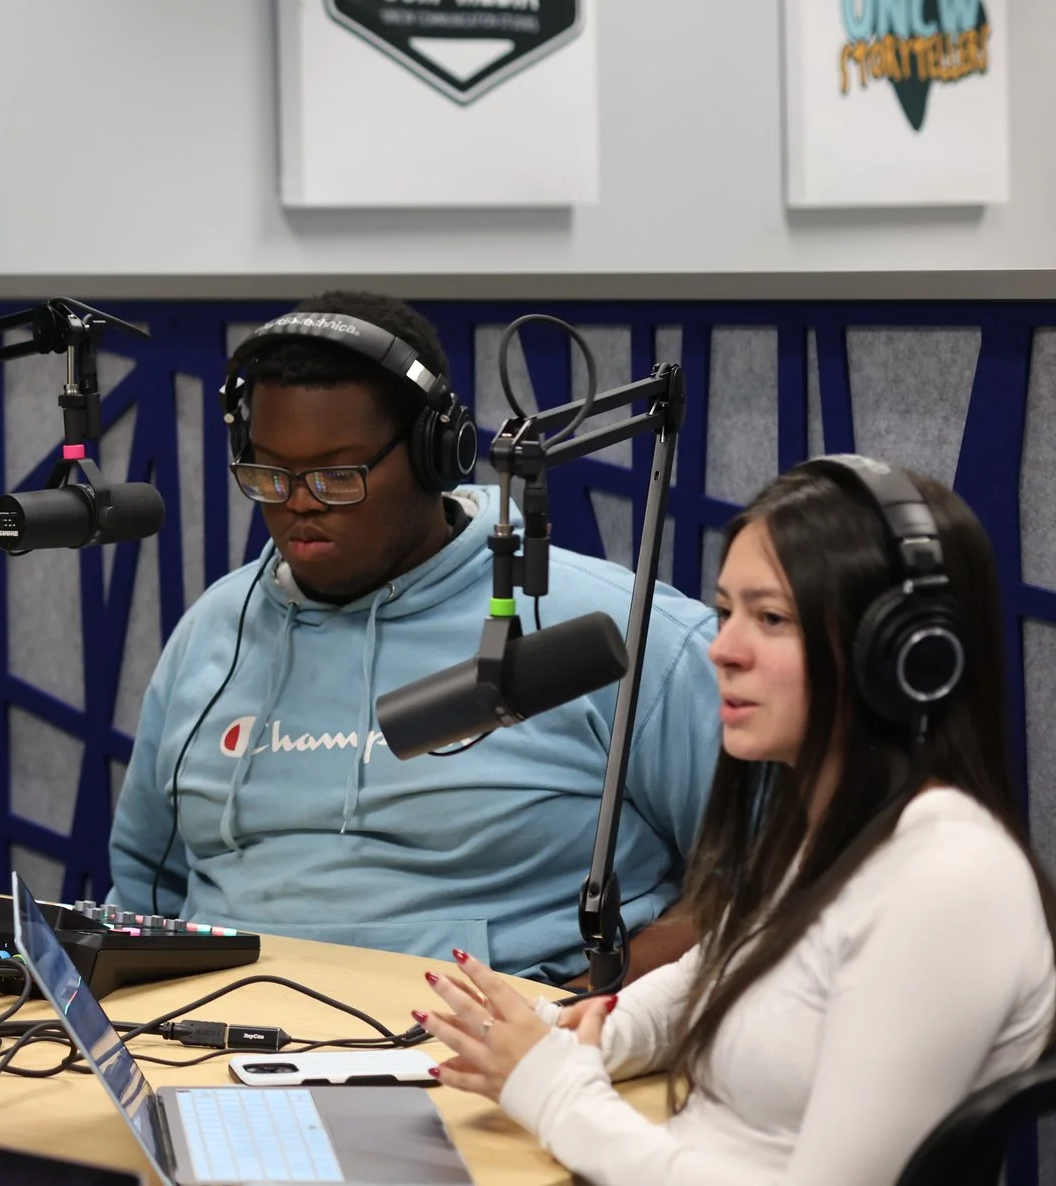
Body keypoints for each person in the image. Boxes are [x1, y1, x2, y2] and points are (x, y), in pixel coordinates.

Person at [419, 459, 1056, 1185]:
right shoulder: (834, 830)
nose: (722, 649)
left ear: (902, 653)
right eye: (727, 612)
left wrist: (558, 1092)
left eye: (772, 618)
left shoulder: (947, 882)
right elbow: (709, 981)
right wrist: (572, 1034)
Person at [107, 292, 721, 981]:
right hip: (217, 1028)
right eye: (270, 474)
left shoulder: (617, 631)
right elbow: (143, 895)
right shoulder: (212, 633)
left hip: (499, 1036)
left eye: (337, 475)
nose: (299, 502)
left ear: (437, 455)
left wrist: (585, 1011)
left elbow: (774, 872)